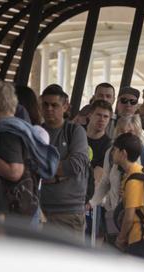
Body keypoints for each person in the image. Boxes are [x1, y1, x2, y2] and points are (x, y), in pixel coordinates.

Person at [0, 81, 58, 219]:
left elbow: (14, 171)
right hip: (27, 208)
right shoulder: (22, 128)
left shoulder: (6, 132)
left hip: (14, 213)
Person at [90, 114, 144, 243]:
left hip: (138, 221)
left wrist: (132, 191)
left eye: (130, 132)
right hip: (114, 214)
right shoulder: (111, 153)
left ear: (138, 133)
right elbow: (105, 181)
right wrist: (92, 202)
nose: (125, 135)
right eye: (121, 131)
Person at [39, 84, 89, 236]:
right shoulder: (36, 132)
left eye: (54, 105)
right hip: (39, 210)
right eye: (45, 104)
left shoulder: (75, 131)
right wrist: (59, 173)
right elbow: (30, 166)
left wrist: (46, 174)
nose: (49, 109)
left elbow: (76, 165)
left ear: (65, 106)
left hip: (69, 212)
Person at [113, 132, 144, 258]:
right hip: (141, 237)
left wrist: (120, 238)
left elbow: (129, 217)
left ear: (123, 153)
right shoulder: (138, 171)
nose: (112, 153)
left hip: (139, 238)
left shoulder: (134, 180)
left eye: (115, 150)